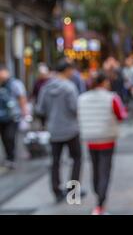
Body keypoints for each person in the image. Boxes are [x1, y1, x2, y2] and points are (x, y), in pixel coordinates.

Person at [78, 71, 127, 215]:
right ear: (105, 82)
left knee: (95, 169)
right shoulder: (112, 97)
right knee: (105, 171)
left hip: (90, 139)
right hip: (107, 139)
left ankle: (98, 196)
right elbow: (121, 115)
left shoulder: (82, 98)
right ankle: (100, 204)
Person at [36, 59, 81, 203]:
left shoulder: (46, 87)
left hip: (53, 130)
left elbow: (40, 109)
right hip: (71, 130)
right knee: (76, 159)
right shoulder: (70, 87)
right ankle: (72, 192)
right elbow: (75, 108)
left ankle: (56, 191)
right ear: (67, 70)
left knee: (55, 161)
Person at [0, 64, 28, 170]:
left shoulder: (15, 84)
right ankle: (8, 156)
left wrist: (25, 113)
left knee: (10, 136)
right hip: (1, 117)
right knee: (4, 138)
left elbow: (22, 98)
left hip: (13, 116)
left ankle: (11, 157)